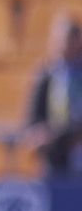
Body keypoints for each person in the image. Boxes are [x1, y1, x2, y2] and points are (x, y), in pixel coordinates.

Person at [25, 15, 82, 177]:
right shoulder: (45, 75)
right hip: (54, 152)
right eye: (59, 39)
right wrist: (39, 133)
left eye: (68, 40)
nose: (63, 45)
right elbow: (33, 117)